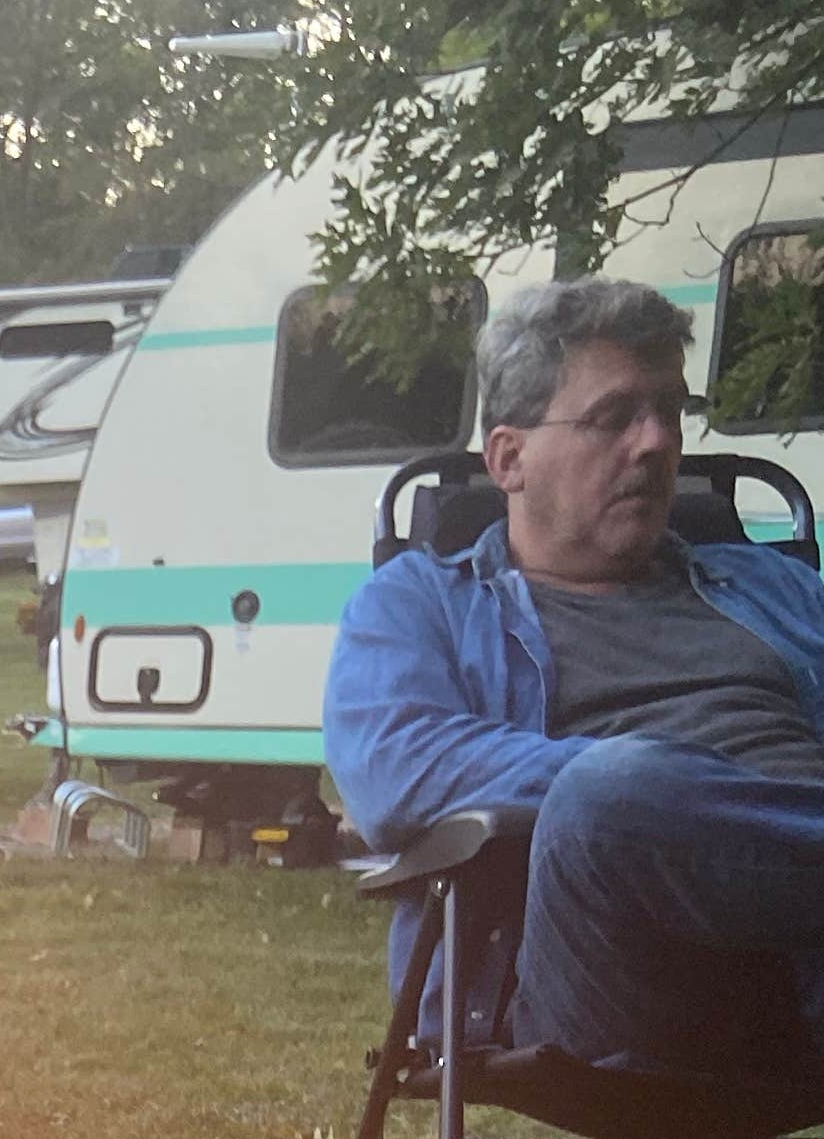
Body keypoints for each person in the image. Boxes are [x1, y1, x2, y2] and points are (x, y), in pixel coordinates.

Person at [323, 274, 824, 1083]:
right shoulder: (420, 603)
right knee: (610, 794)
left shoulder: (775, 586)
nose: (658, 442)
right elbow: (392, 768)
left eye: (669, 411)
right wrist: (666, 781)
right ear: (509, 458)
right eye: (614, 416)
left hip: (799, 969)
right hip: (599, 978)